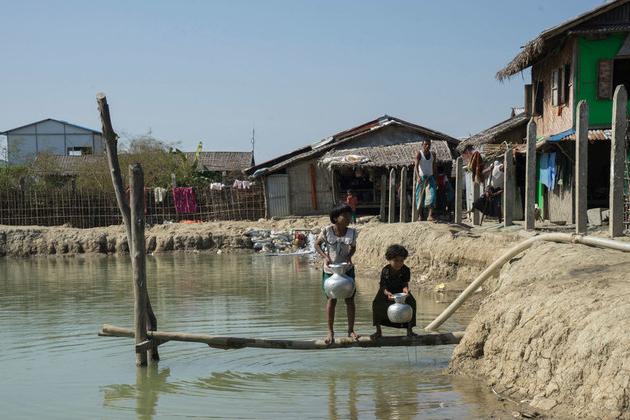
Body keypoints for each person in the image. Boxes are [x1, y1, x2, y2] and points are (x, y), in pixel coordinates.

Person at [314, 204, 359, 345]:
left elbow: (353, 247)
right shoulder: (327, 231)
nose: (348, 218)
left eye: (349, 215)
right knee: (331, 300)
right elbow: (316, 244)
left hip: (346, 269)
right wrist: (325, 257)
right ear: (335, 218)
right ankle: (330, 332)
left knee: (350, 299)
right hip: (331, 270)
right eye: (345, 216)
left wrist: (349, 256)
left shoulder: (352, 232)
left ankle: (350, 330)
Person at [371, 244, 417, 339]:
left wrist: (406, 290)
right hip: (386, 291)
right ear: (389, 259)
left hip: (400, 291)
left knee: (412, 302)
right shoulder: (386, 270)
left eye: (401, 261)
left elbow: (405, 283)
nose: (399, 263)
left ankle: (409, 330)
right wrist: (387, 293)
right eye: (396, 260)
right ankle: (378, 331)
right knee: (376, 303)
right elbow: (383, 285)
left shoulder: (406, 270)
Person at [414, 139, 437, 222]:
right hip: (421, 178)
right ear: (422, 145)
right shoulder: (419, 154)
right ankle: (420, 216)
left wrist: (435, 178)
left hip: (430, 177)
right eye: (425, 144)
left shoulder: (433, 154)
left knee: (432, 195)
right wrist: (418, 177)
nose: (427, 146)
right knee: (420, 197)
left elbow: (434, 166)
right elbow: (416, 166)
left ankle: (430, 216)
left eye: (429, 145)